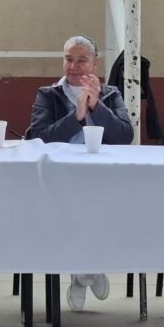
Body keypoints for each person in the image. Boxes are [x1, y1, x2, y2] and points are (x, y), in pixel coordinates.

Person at [25, 35, 133, 312]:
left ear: (95, 64)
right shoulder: (48, 94)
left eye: (81, 60)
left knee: (99, 205)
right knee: (72, 205)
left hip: (101, 173)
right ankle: (88, 268)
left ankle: (81, 272)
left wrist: (97, 106)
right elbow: (39, 137)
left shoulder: (111, 94)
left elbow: (124, 136)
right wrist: (76, 115)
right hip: (59, 173)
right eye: (68, 59)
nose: (73, 66)